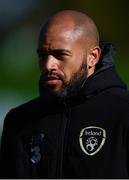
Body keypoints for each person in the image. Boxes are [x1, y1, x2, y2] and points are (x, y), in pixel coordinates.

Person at [0, 9, 129, 179]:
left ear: (93, 57)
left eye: (60, 54)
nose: (48, 65)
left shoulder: (123, 113)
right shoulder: (19, 121)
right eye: (42, 55)